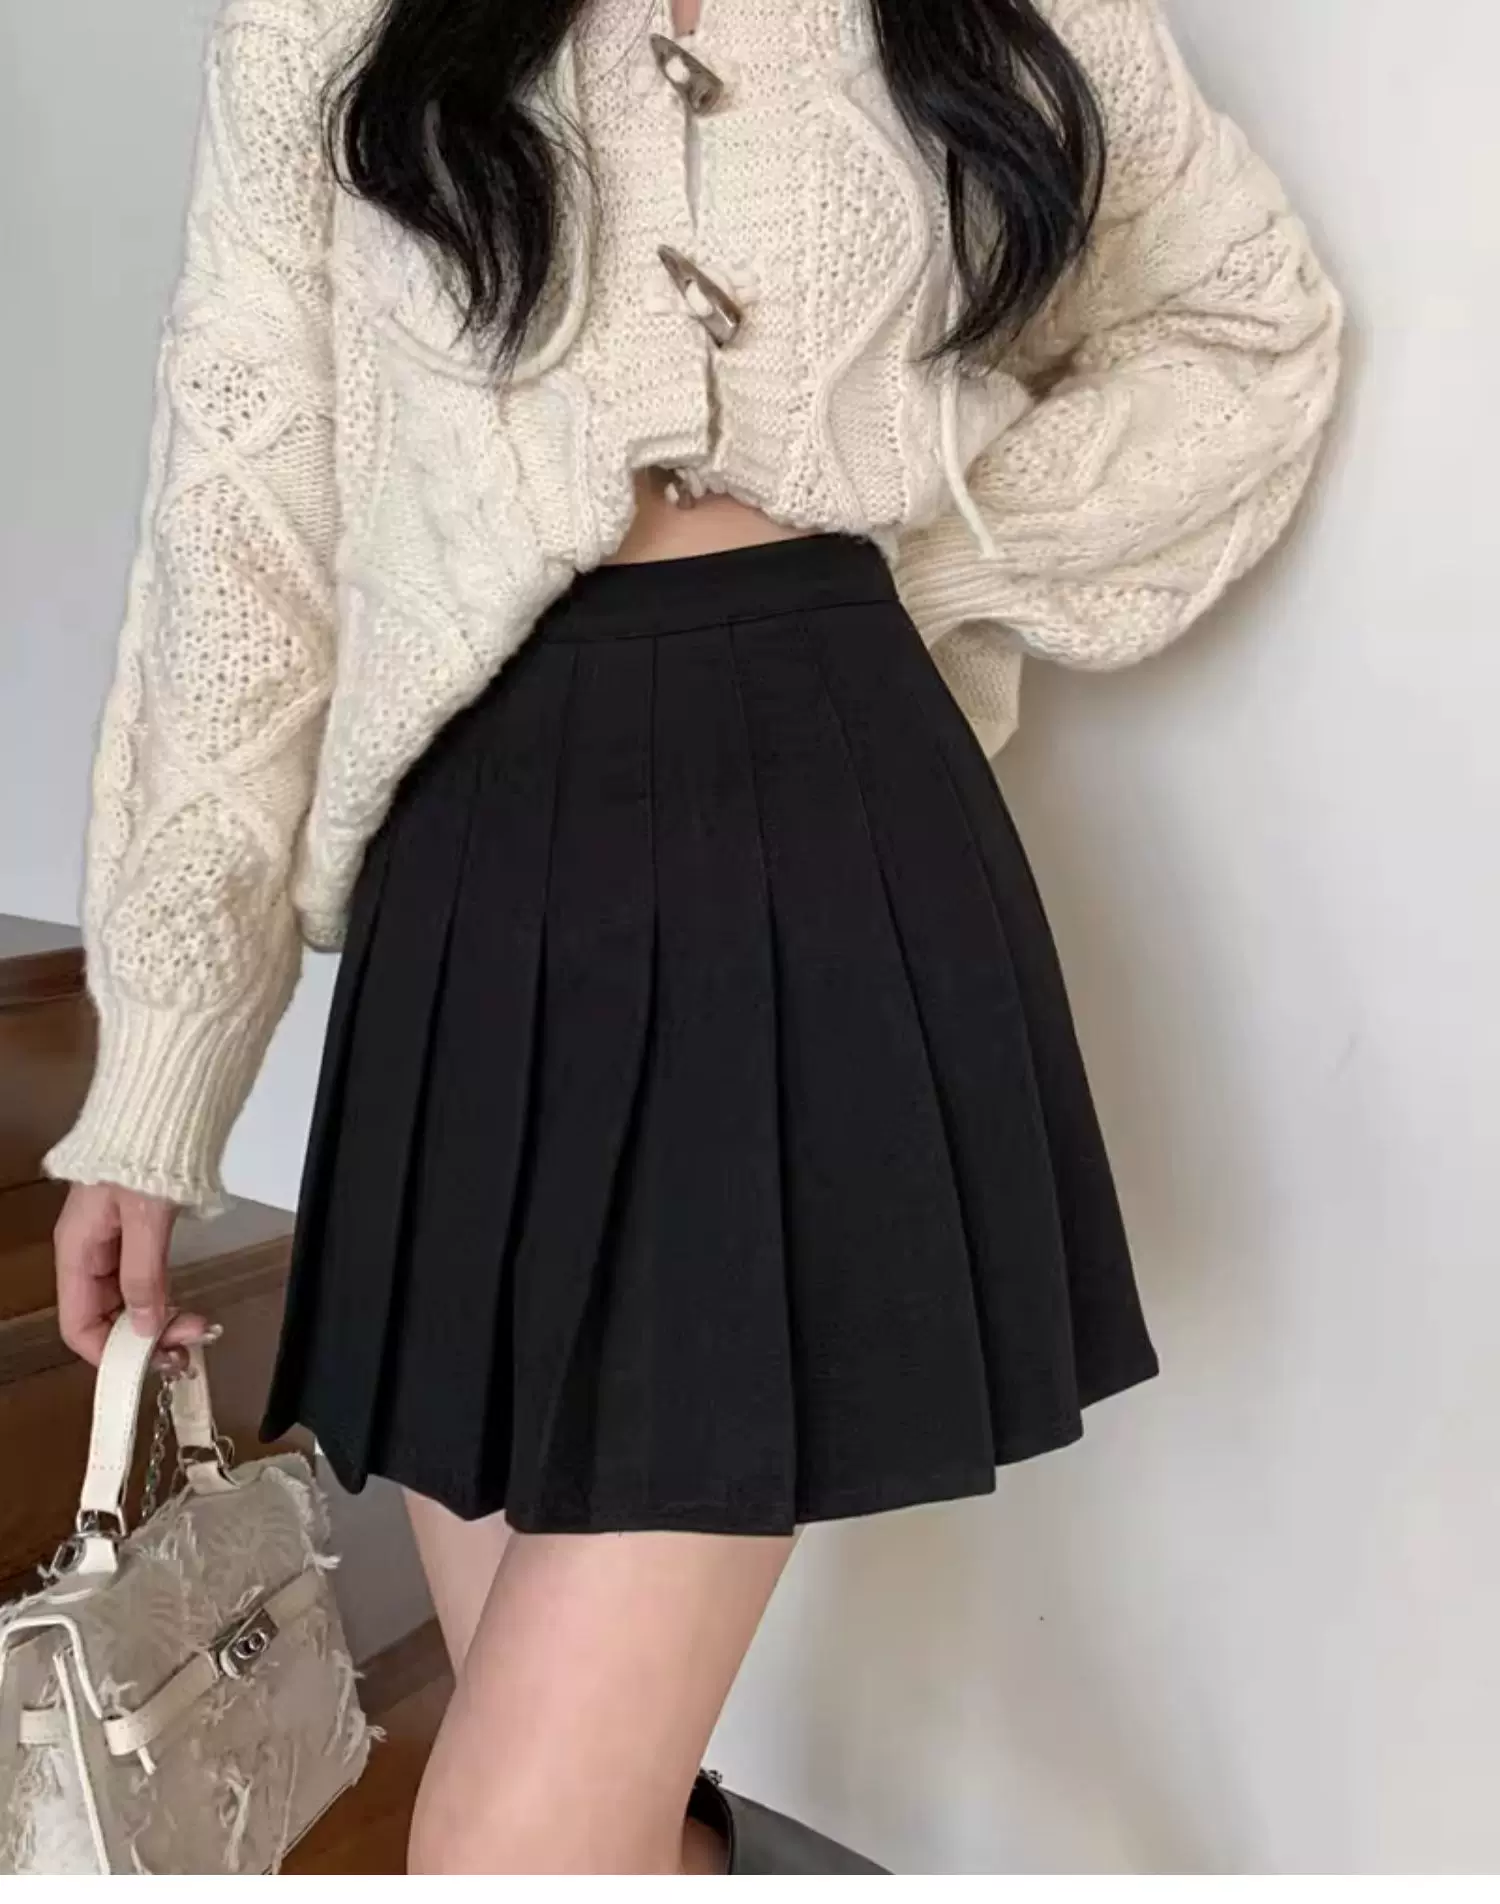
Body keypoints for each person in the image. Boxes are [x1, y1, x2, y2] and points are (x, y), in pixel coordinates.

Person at [46, 0, 1341, 1875]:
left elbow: (1243, 324)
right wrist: (160, 1078)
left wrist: (904, 556)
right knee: (598, 1821)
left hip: (811, 853)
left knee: (509, 1846)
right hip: (473, 904)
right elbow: (239, 542)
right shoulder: (322, 22)